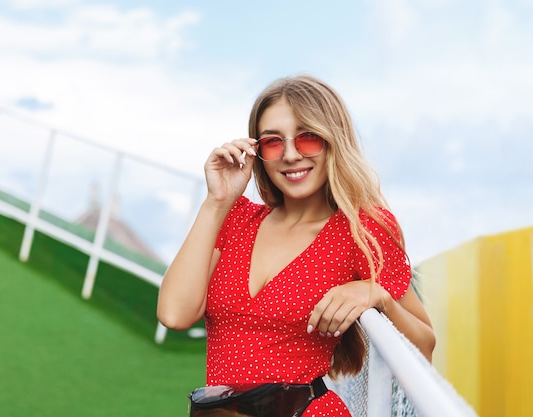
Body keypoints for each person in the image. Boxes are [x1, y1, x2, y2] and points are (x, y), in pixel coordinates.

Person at [157, 74, 436, 416]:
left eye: (307, 138)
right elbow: (174, 313)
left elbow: (423, 346)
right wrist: (216, 201)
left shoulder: (362, 230)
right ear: (258, 151)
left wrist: (377, 296)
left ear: (333, 141)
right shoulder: (236, 218)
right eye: (273, 142)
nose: (290, 155)